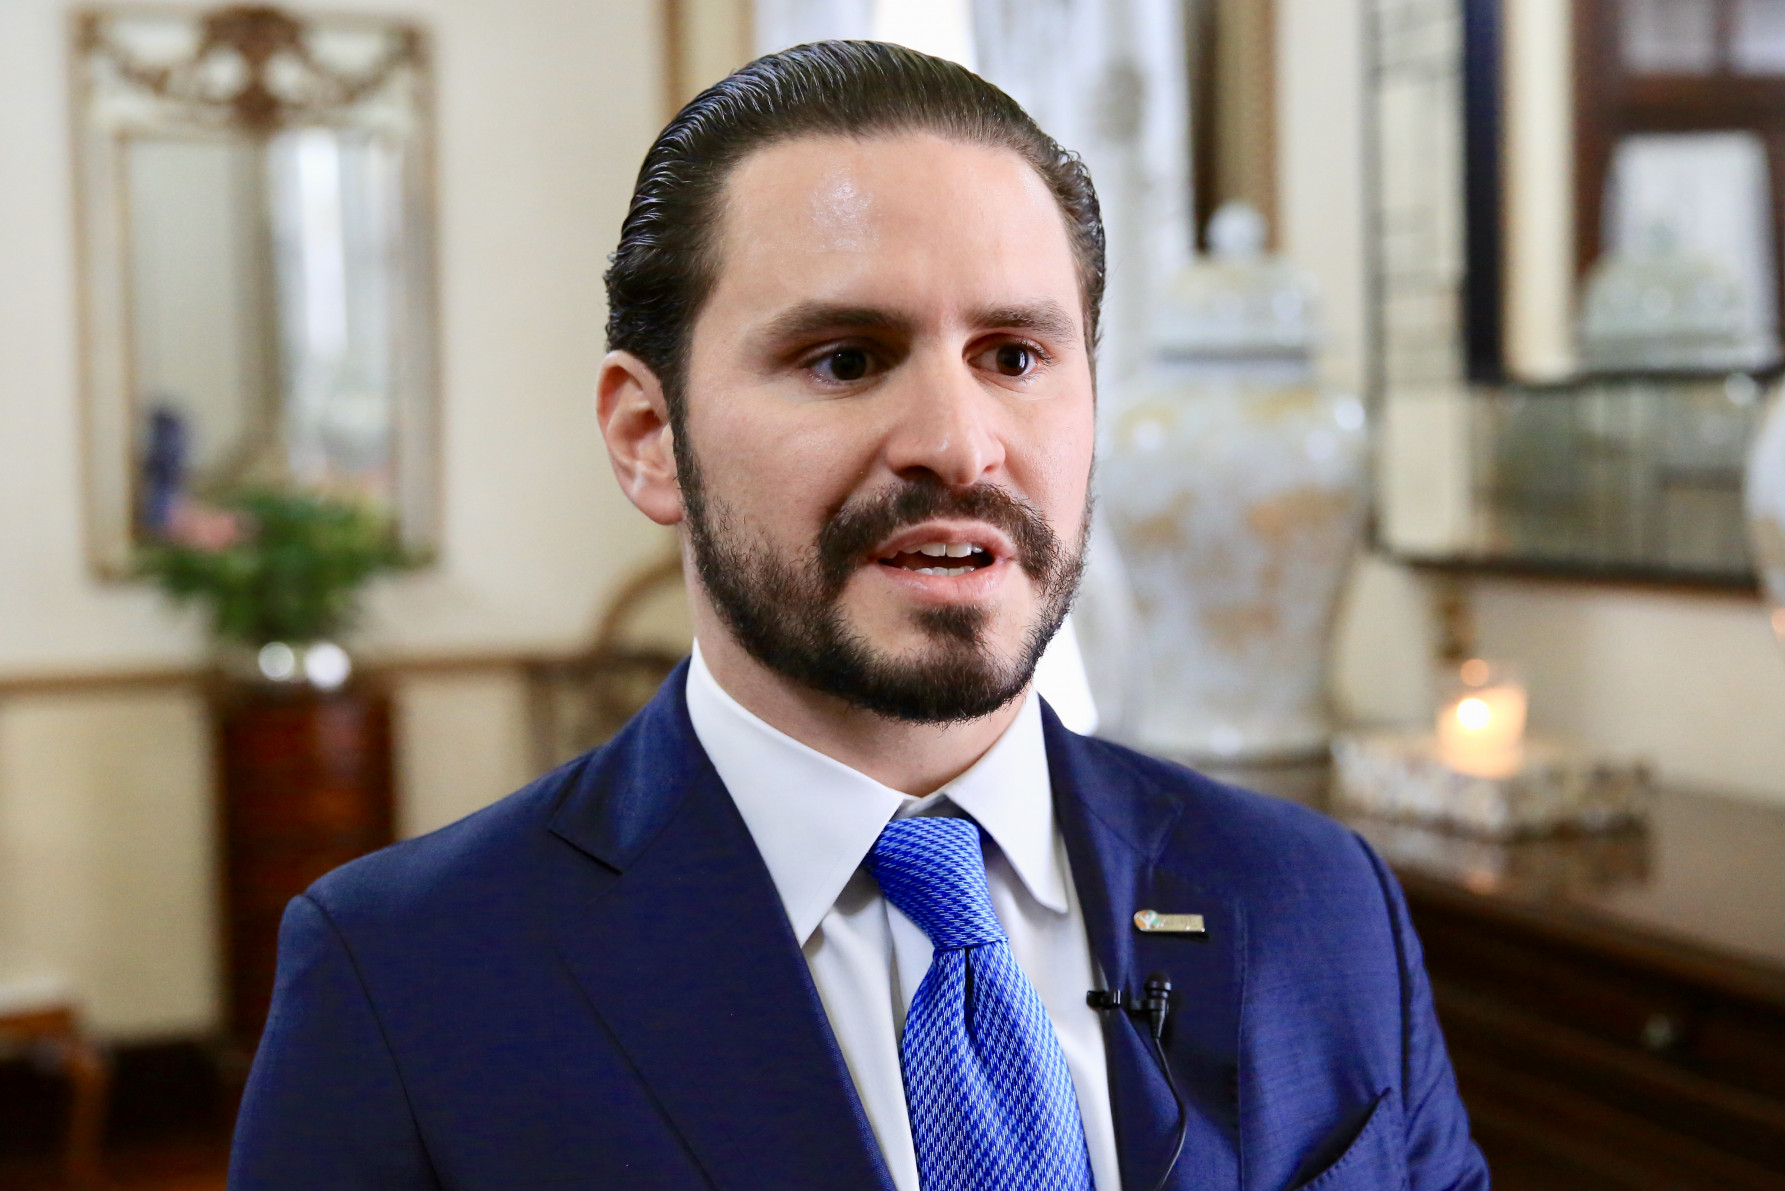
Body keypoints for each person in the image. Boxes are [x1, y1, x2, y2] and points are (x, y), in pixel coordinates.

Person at [229, 40, 1489, 1191]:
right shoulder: (404, 982)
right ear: (649, 436)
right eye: (846, 359)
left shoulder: (1317, 904)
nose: (959, 444)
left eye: (1014, 356)